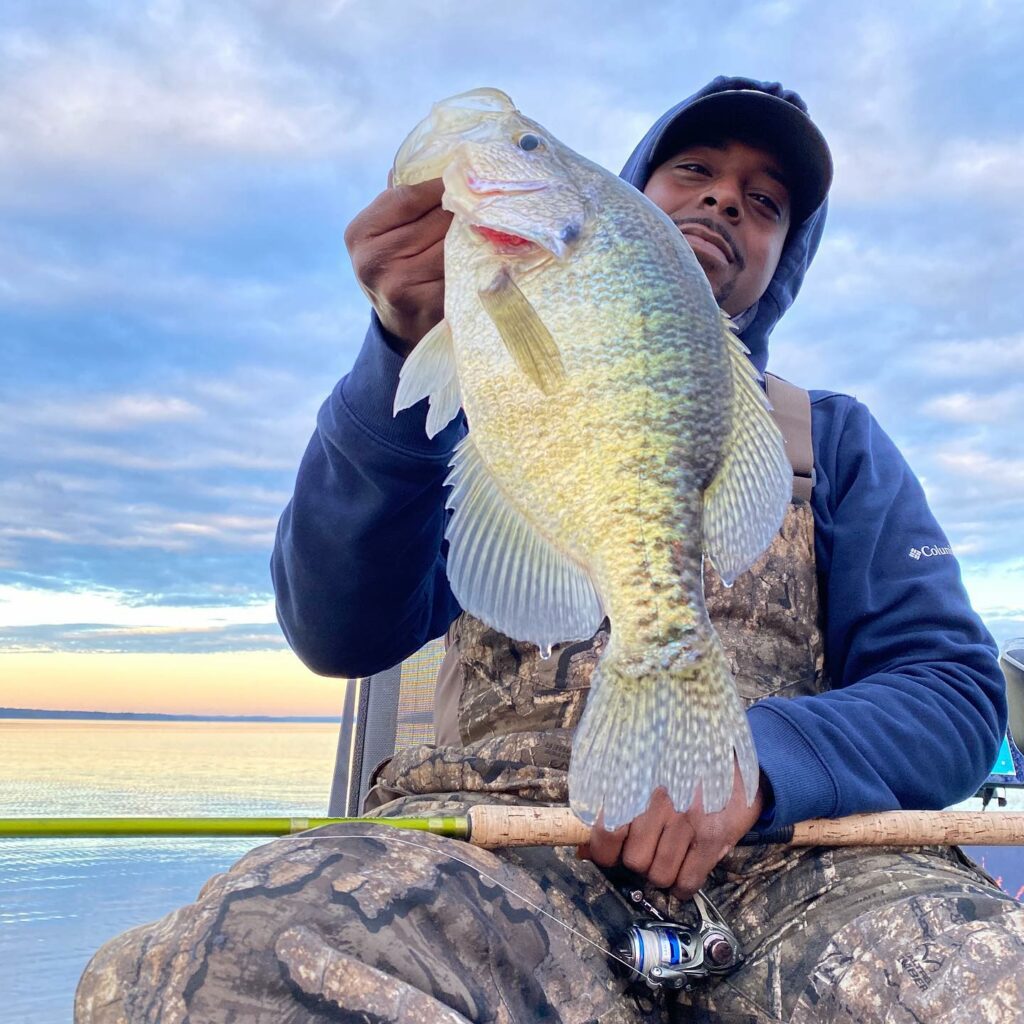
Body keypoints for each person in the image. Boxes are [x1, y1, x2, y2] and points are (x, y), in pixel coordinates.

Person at [75, 77, 1024, 1024]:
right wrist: (398, 352)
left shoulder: (837, 440)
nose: (727, 198)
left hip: (801, 862)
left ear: (785, 257)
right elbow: (339, 630)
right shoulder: (475, 387)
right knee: (230, 962)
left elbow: (954, 690)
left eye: (765, 202)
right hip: (494, 854)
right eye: (692, 169)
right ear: (621, 206)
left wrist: (766, 765)